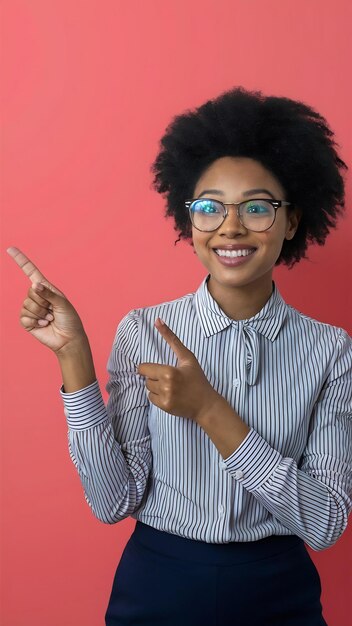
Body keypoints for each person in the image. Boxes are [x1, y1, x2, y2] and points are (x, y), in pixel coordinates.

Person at [7, 86, 351, 626]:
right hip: (158, 583)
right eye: (209, 207)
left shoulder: (332, 353)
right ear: (187, 219)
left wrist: (210, 412)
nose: (230, 227)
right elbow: (111, 501)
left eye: (257, 207)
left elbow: (326, 521)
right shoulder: (143, 330)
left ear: (292, 222)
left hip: (278, 590)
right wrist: (74, 358)